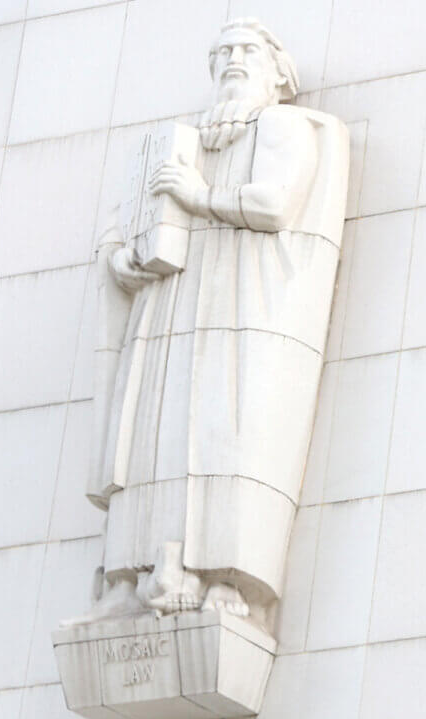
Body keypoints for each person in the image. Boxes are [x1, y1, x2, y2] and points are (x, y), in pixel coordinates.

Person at [71, 19, 350, 626]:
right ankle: (131, 574)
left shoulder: (283, 124)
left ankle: (227, 576)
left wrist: (198, 198)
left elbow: (276, 204)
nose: (232, 59)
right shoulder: (177, 141)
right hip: (169, 305)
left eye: (247, 48)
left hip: (243, 303)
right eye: (221, 51)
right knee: (152, 437)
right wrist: (120, 258)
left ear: (279, 70)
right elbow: (122, 225)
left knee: (229, 431)